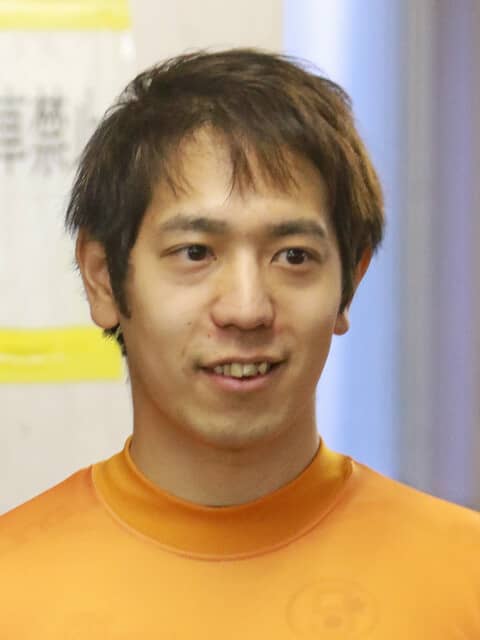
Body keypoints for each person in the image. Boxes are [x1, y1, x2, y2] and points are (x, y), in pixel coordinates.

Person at [1, 49, 479, 639]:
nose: (247, 309)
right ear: (103, 278)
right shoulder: (12, 590)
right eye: (195, 253)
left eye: (293, 256)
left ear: (349, 281)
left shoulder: (464, 580)